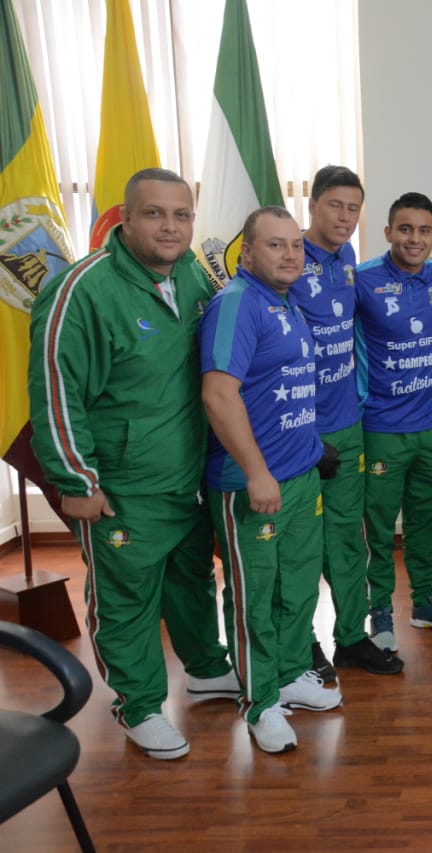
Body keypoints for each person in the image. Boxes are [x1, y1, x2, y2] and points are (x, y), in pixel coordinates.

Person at [28, 168, 237, 760]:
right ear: (125, 217)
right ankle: (140, 706)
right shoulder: (82, 290)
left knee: (192, 579)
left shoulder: (193, 273)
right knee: (127, 599)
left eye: (182, 215)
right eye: (154, 213)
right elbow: (54, 390)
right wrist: (76, 480)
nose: (170, 226)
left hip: (188, 474)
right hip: (120, 486)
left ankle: (206, 667)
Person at [200, 206, 343, 754]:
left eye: (295, 246)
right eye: (275, 246)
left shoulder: (282, 302)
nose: (290, 255)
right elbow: (219, 394)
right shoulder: (236, 304)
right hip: (251, 483)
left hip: (299, 476)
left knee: (298, 586)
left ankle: (287, 675)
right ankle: (259, 704)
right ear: (248, 252)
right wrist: (257, 473)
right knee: (254, 596)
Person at [292, 166, 402, 675]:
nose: (344, 216)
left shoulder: (348, 258)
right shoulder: (289, 259)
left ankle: (351, 637)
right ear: (312, 205)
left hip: (346, 422)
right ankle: (300, 645)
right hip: (295, 429)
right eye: (335, 205)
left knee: (345, 538)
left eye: (353, 208)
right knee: (299, 544)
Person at [355, 192, 432, 651]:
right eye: (405, 229)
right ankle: (379, 609)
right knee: (379, 526)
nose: (414, 239)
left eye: (423, 230)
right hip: (380, 426)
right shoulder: (362, 279)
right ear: (388, 232)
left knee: (426, 520)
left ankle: (426, 602)